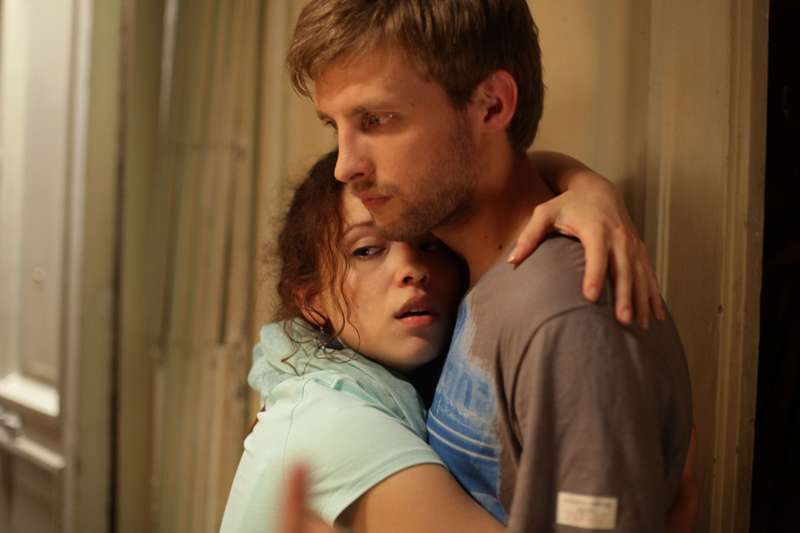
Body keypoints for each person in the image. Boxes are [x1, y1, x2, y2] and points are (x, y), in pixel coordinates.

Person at [286, 1, 695, 531]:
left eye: (377, 120)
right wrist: (582, 181)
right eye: (334, 125)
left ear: (492, 105)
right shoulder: (460, 265)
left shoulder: (566, 316)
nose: (345, 166)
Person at [222, 151, 694, 533]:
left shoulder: (337, 383)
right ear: (312, 301)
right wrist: (676, 514)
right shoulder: (338, 426)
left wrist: (588, 187)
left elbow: (508, 176)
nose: (411, 269)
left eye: (430, 245)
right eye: (367, 251)